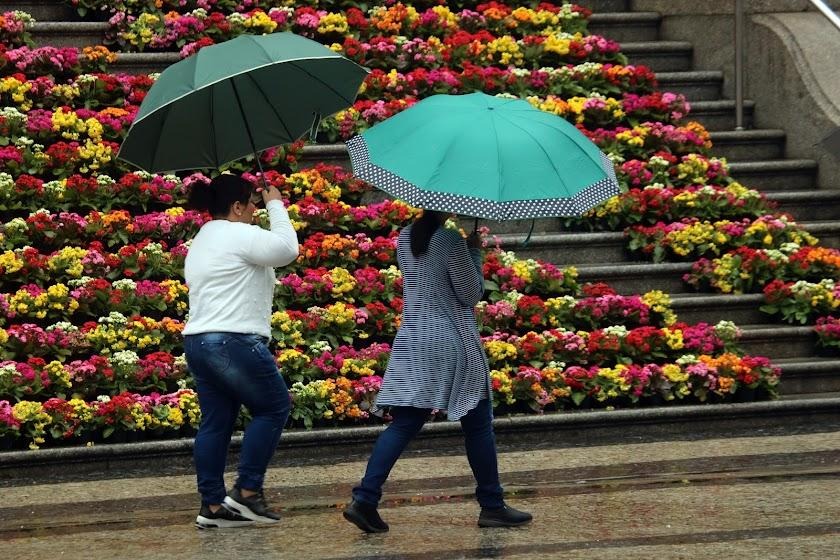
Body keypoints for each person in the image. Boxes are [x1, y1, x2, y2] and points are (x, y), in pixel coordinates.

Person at [343, 210, 532, 533]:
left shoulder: (406, 237)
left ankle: (365, 498)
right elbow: (470, 294)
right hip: (451, 340)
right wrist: (474, 252)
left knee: (404, 423)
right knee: (478, 423)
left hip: (413, 339)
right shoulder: (449, 240)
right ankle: (492, 505)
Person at [182, 174, 299, 529]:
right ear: (236, 207)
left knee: (216, 423)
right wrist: (276, 203)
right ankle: (247, 492)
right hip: (232, 341)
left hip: (199, 341)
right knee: (274, 407)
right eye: (252, 204)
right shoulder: (238, 234)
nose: (255, 211)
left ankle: (213, 506)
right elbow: (287, 250)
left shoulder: (203, 238)